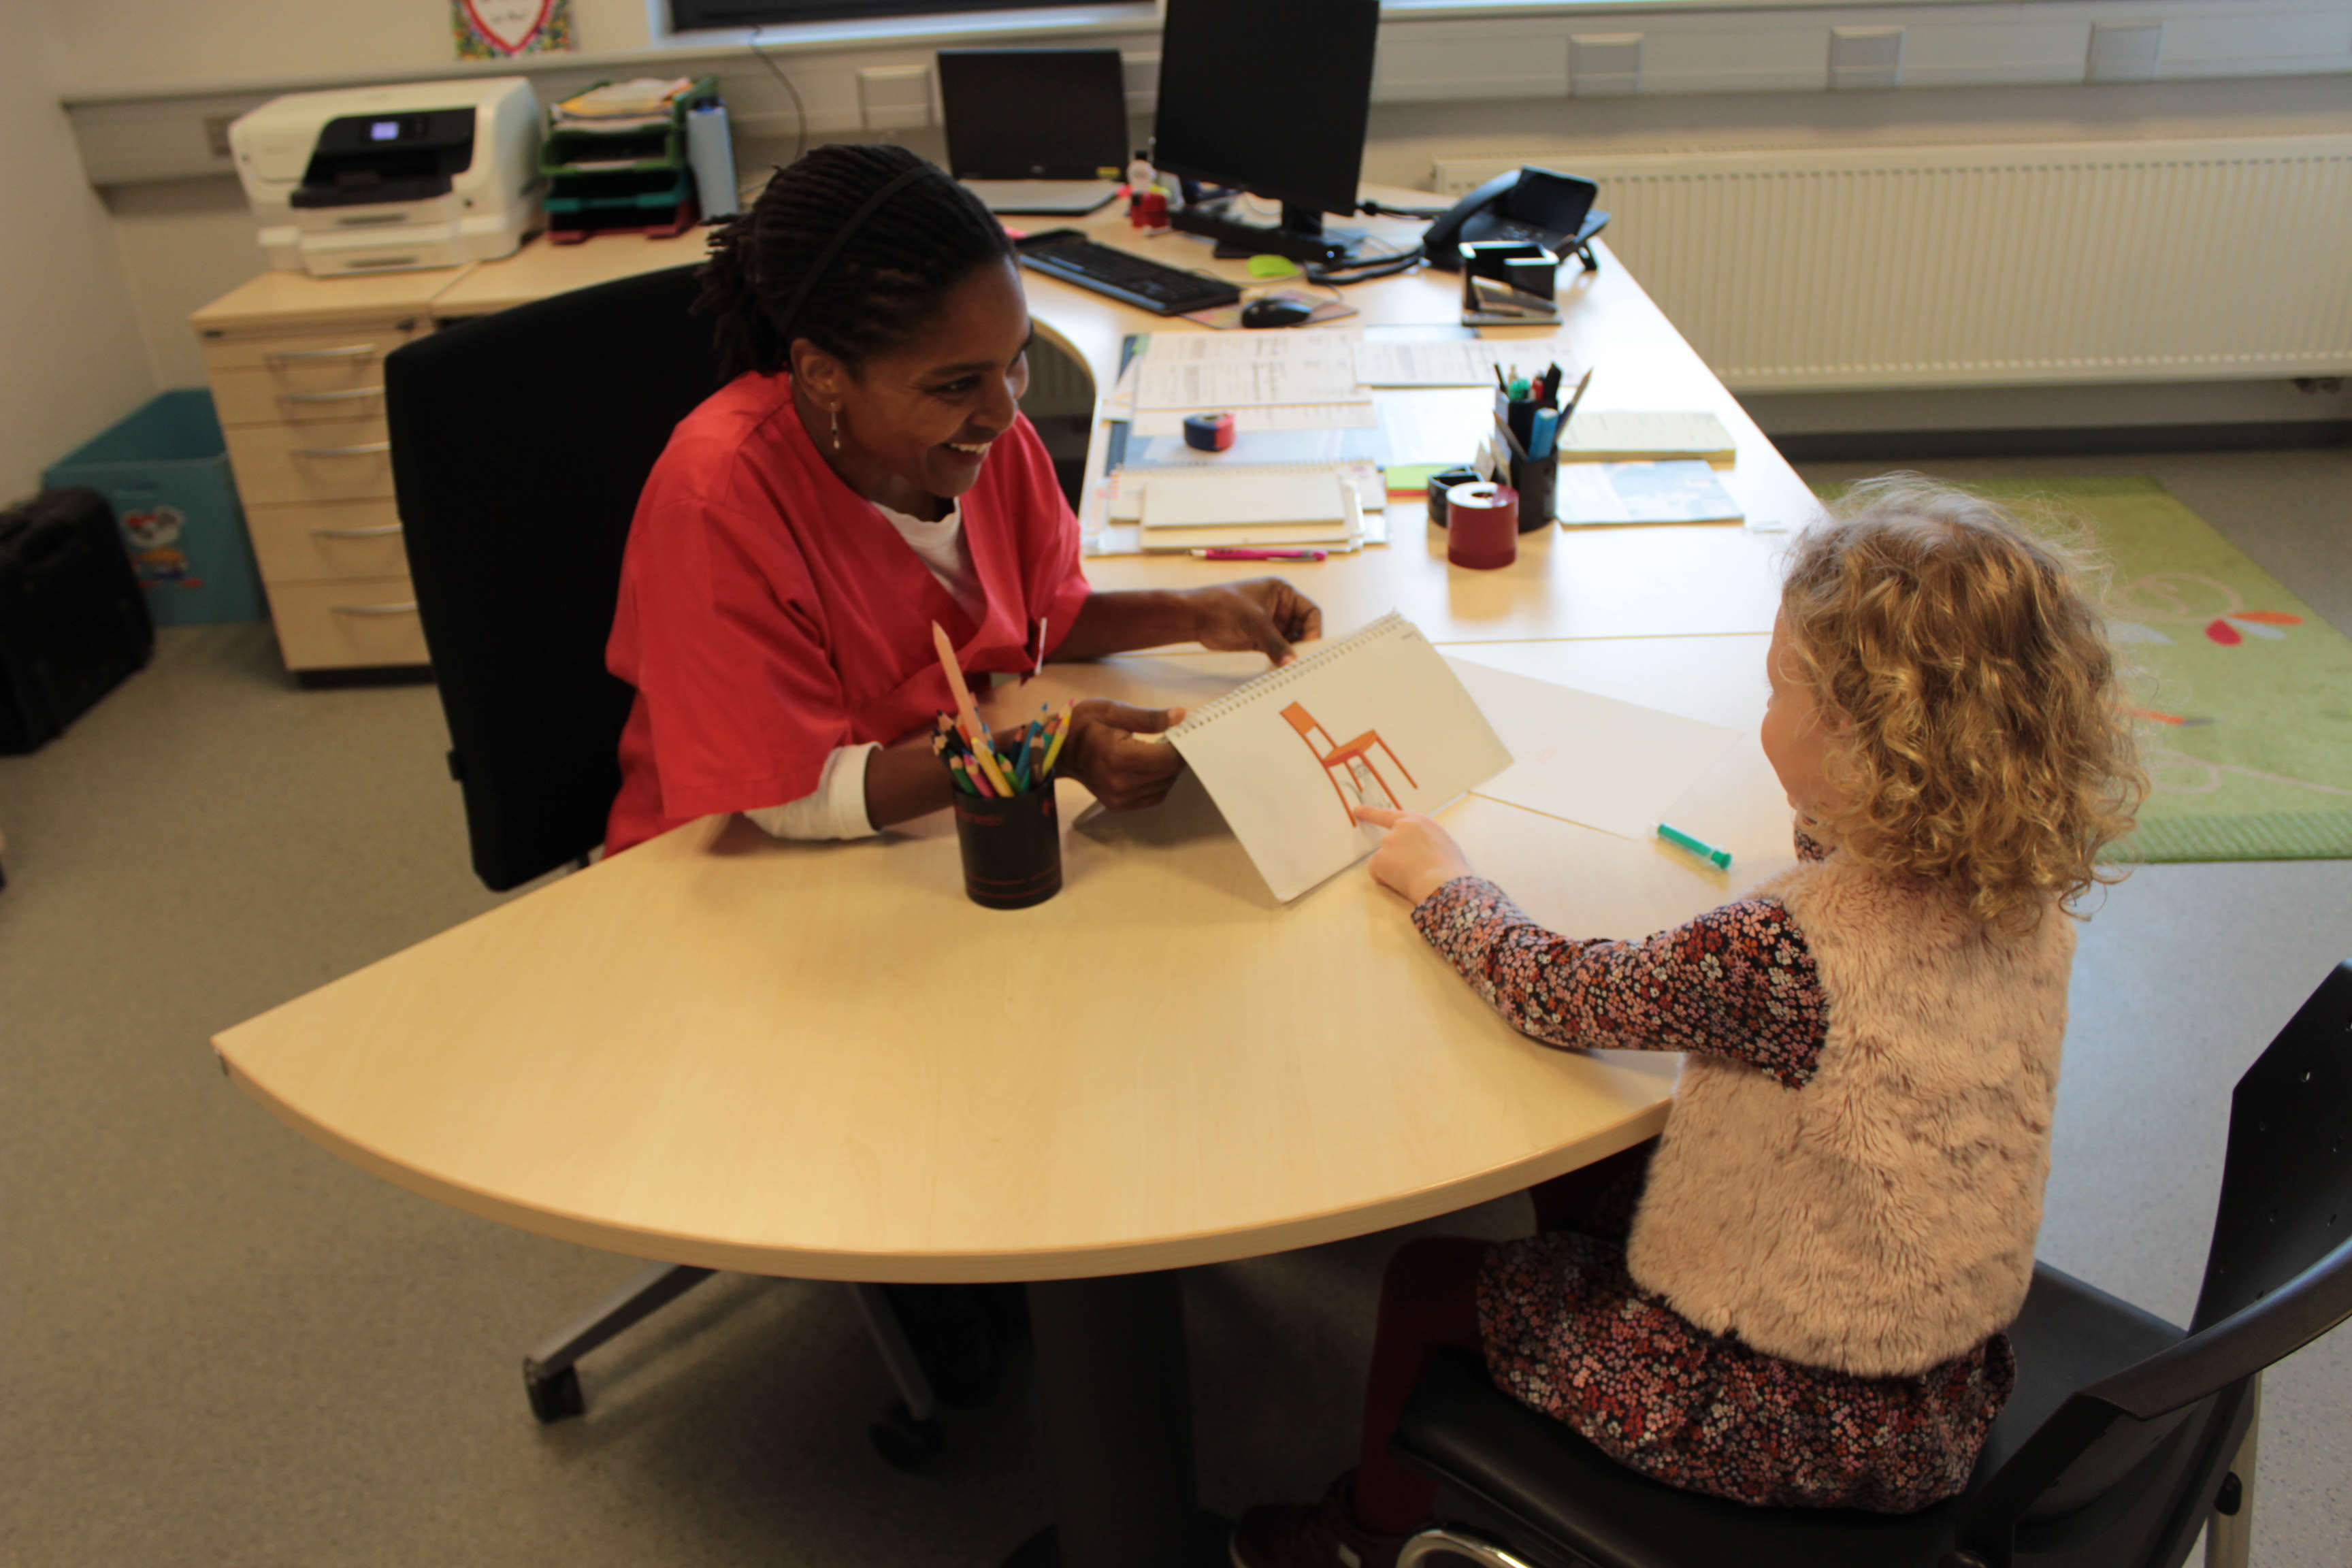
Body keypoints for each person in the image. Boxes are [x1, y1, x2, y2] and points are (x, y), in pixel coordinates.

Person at [1230, 478, 2146, 1568]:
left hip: (1784, 1416)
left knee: (1428, 1282)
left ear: (1866, 746)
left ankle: (1362, 1538)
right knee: (1584, 1183)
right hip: (1943, 1377)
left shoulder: (1787, 952)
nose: (1761, 714)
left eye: (1777, 690)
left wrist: (1447, 881)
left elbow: (1557, 992)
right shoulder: (2017, 888)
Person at [604, 144, 1320, 855]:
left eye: (1016, 362)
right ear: (823, 374)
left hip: (919, 826)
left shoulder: (972, 440)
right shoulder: (718, 503)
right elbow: (791, 796)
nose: (1004, 414)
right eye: (956, 385)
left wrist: (1194, 612)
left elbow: (1034, 620)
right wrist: (1044, 751)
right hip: (728, 867)